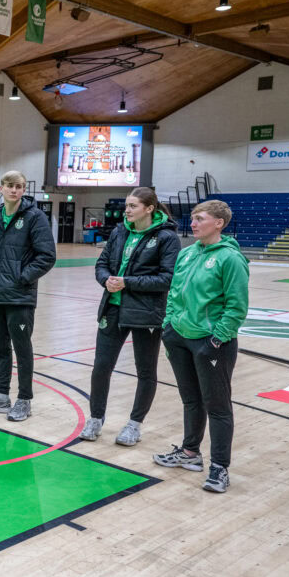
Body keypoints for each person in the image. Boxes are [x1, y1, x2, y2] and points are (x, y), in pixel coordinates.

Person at [153, 200, 249, 494]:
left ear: (218, 223)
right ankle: (190, 453)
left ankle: (220, 468)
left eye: (200, 218)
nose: (192, 223)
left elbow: (236, 307)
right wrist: (169, 326)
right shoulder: (186, 254)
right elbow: (174, 293)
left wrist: (217, 339)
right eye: (192, 218)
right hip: (179, 338)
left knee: (217, 406)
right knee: (191, 400)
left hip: (212, 344)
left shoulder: (230, 259)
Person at [80, 188, 181, 445]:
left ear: (149, 208)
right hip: (112, 307)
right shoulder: (119, 230)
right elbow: (102, 264)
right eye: (127, 205)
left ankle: (134, 425)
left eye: (133, 206)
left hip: (146, 313)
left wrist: (128, 282)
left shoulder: (167, 238)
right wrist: (106, 280)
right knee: (101, 367)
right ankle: (95, 419)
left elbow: (167, 279)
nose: (127, 210)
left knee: (145, 371)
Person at [0, 170, 56, 421]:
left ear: (23, 189)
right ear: (1, 188)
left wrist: (21, 277)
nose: (14, 190)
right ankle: (1, 395)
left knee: (22, 349)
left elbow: (47, 256)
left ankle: (24, 399)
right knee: (0, 348)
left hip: (20, 296)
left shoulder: (35, 217)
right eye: (9, 185)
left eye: (19, 186)